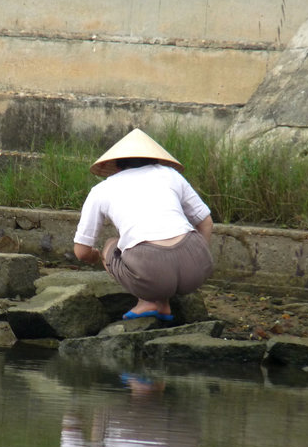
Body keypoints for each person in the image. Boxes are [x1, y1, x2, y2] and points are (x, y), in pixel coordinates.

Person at [73, 128, 213, 321]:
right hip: (196, 270)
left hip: (150, 271)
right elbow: (205, 221)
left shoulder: (102, 189)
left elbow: (81, 251)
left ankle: (147, 302)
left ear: (117, 166)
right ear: (154, 159)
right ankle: (163, 304)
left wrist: (96, 256)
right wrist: (197, 256)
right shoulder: (169, 174)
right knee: (162, 245)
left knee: (112, 244)